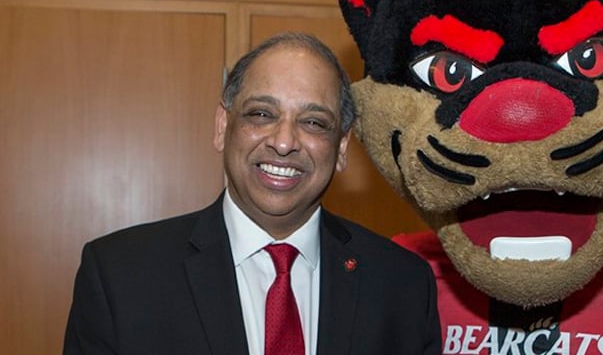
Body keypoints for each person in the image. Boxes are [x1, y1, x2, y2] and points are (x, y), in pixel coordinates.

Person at [63, 32, 442, 355]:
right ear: (222, 126)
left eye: (313, 122)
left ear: (341, 147)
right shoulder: (120, 276)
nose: (283, 142)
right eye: (261, 114)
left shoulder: (402, 285)